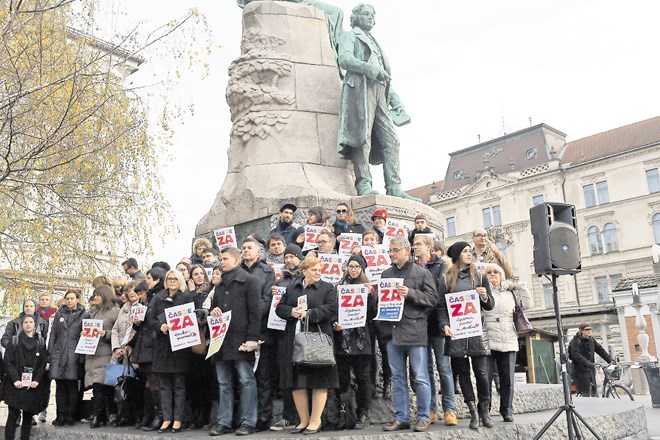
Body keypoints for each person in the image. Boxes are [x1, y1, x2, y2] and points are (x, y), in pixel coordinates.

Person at [337, 4, 419, 201]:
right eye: (366, 14)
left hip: (380, 92)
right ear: (355, 17)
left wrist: (396, 101)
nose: (371, 18)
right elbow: (344, 59)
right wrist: (369, 69)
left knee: (392, 140)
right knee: (361, 138)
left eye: (373, 15)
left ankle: (394, 187)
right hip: (360, 90)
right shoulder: (350, 36)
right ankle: (364, 184)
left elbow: (385, 76)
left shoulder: (375, 42)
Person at [379, 237, 437, 433]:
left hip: (414, 331)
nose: (392, 253)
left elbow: (432, 299)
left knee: (420, 377)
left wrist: (411, 293)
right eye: (390, 250)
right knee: (397, 377)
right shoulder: (385, 274)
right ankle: (401, 417)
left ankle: (423, 417)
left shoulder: (422, 272)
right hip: (392, 332)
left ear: (406, 250)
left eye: (395, 250)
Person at [276, 255, 339, 435]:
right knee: (297, 381)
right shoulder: (292, 287)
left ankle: (315, 420)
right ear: (304, 271)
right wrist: (291, 311)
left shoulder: (327, 287)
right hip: (295, 340)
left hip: (317, 339)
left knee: (319, 379)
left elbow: (332, 308)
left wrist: (310, 313)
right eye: (314, 269)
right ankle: (303, 420)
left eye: (319, 269)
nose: (318, 272)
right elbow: (279, 308)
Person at [438, 241, 495, 429]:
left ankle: (484, 411)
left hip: (477, 332)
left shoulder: (479, 276)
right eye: (465, 251)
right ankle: (472, 413)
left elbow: (490, 305)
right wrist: (444, 324)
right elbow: (441, 306)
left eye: (470, 251)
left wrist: (484, 295)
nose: (469, 254)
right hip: (457, 333)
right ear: (456, 255)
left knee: (482, 373)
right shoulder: (446, 278)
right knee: (463, 374)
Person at [207, 247, 262, 436]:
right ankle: (224, 421)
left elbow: (256, 312)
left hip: (241, 340)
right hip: (221, 341)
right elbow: (215, 310)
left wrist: (252, 339)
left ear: (237, 260)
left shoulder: (250, 281)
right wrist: (213, 312)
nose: (221, 262)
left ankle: (248, 422)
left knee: (246, 380)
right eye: (221, 259)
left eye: (225, 259)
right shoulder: (219, 285)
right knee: (223, 382)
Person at [147, 269, 201, 433]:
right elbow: (150, 318)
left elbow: (194, 319)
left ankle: (177, 420)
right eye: (169, 279)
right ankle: (166, 419)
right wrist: (160, 326)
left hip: (180, 348)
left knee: (179, 386)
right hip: (163, 347)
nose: (171, 281)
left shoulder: (186, 298)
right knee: (164, 386)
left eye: (175, 279)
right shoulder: (158, 297)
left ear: (180, 281)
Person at [412, 234, 458, 426]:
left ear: (430, 247)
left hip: (438, 324)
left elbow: (440, 297)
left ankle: (450, 409)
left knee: (444, 368)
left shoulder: (442, 266)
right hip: (420, 326)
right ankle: (431, 410)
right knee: (426, 370)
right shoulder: (413, 268)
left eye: (419, 244)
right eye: (413, 244)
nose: (415, 247)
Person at [482, 263, 532, 422]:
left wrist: (517, 286)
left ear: (502, 274)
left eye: (495, 272)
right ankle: (485, 410)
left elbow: (527, 303)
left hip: (508, 338)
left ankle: (507, 410)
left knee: (507, 379)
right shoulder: (483, 290)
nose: (492, 275)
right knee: (485, 378)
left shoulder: (510, 292)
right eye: (488, 272)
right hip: (488, 339)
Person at [332, 254, 377, 429]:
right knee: (342, 378)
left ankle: (363, 413)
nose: (353, 269)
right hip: (342, 339)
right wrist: (335, 323)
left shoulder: (367, 288)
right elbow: (333, 309)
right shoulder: (339, 287)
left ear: (362, 269)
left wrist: (370, 295)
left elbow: (372, 314)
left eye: (357, 266)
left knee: (363, 377)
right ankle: (344, 413)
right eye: (351, 266)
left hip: (361, 340)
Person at [240, 237, 276, 431]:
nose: (246, 250)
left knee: (263, 377)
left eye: (249, 248)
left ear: (258, 252)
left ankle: (263, 418)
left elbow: (268, 299)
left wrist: (248, 317)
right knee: (243, 378)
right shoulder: (235, 272)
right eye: (243, 247)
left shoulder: (267, 271)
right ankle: (246, 418)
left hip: (262, 331)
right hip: (240, 334)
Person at [269, 244, 304, 432]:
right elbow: (278, 307)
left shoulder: (303, 279)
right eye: (287, 257)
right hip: (283, 332)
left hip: (302, 333)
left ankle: (303, 416)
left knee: (301, 374)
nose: (289, 260)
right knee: (286, 375)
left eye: (292, 256)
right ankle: (287, 415)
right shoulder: (281, 280)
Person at [2, 315, 49, 440]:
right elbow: (8, 362)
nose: (28, 324)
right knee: (13, 415)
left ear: (35, 324)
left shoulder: (41, 342)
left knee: (28, 416)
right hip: (15, 384)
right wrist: (15, 379)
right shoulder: (14, 341)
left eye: (31, 322)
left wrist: (37, 380)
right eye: (26, 322)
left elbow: (43, 363)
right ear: (22, 325)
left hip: (32, 385)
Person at [48, 290, 90, 427]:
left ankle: (71, 415)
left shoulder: (85, 314)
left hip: (75, 352)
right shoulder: (59, 313)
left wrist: (82, 357)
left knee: (72, 386)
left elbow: (87, 337)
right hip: (59, 352)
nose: (69, 301)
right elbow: (53, 334)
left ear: (78, 299)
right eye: (67, 298)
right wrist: (51, 352)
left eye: (72, 298)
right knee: (60, 386)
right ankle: (60, 415)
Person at [129, 273, 165, 431]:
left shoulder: (156, 300)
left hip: (153, 346)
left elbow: (155, 323)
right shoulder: (144, 303)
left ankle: (158, 415)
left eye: (140, 293)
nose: (139, 296)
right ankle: (149, 415)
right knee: (148, 384)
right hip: (144, 346)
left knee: (154, 383)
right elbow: (143, 328)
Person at [84, 285, 120, 428]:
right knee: (97, 385)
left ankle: (99, 415)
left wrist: (106, 334)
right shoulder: (94, 313)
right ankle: (103, 414)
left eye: (98, 295)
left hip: (106, 353)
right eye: (94, 295)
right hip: (93, 353)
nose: (95, 298)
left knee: (101, 385)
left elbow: (119, 332)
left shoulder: (114, 311)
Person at [110, 281, 142, 427]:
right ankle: (121, 414)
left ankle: (134, 416)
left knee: (132, 385)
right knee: (117, 384)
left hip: (133, 352)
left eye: (134, 290)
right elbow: (115, 329)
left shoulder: (143, 307)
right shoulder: (124, 308)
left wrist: (130, 346)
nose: (131, 293)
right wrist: (116, 347)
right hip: (119, 352)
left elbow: (140, 331)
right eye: (129, 291)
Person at [569, 323, 614, 397]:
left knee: (594, 390)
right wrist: (587, 363)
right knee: (585, 393)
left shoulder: (591, 340)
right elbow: (576, 355)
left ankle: (595, 400)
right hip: (580, 370)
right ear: (581, 331)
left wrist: (609, 360)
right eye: (586, 329)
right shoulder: (576, 341)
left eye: (590, 329)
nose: (589, 331)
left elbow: (600, 350)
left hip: (590, 369)